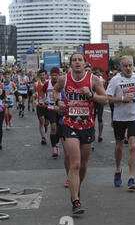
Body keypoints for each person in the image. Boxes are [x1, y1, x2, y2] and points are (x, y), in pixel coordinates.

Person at [53, 52, 108, 215]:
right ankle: (75, 200)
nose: (77, 63)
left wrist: (90, 94)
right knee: (75, 163)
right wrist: (58, 102)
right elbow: (56, 91)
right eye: (74, 60)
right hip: (70, 124)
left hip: (88, 125)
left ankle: (76, 188)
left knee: (83, 165)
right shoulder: (64, 79)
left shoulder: (93, 80)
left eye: (80, 60)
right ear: (70, 64)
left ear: (85, 63)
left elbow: (105, 99)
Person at [106, 56, 135, 192]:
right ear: (120, 67)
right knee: (119, 147)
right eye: (125, 66)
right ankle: (118, 169)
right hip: (119, 118)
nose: (128, 68)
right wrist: (122, 98)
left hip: (134, 116)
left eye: (130, 65)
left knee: (133, 146)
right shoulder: (115, 80)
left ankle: (131, 177)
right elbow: (108, 99)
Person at [43, 68, 62, 157]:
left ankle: (56, 143)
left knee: (59, 128)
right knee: (53, 126)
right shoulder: (47, 83)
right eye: (52, 75)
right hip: (51, 107)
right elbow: (42, 92)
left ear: (59, 75)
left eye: (56, 75)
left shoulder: (62, 83)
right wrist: (44, 100)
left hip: (60, 108)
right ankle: (54, 147)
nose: (54, 77)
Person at [35, 69, 49, 145]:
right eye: (41, 75)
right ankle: (43, 138)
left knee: (46, 122)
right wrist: (35, 96)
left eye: (43, 75)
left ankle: (45, 127)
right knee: (41, 121)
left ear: (46, 75)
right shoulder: (36, 84)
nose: (42, 76)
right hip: (40, 105)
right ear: (39, 76)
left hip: (48, 105)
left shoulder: (49, 83)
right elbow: (34, 91)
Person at [93, 68, 106, 143]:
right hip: (93, 100)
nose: (98, 76)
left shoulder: (102, 80)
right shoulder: (91, 80)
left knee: (100, 118)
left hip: (100, 100)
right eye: (96, 74)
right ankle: (93, 134)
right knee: (93, 118)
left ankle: (100, 135)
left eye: (98, 74)